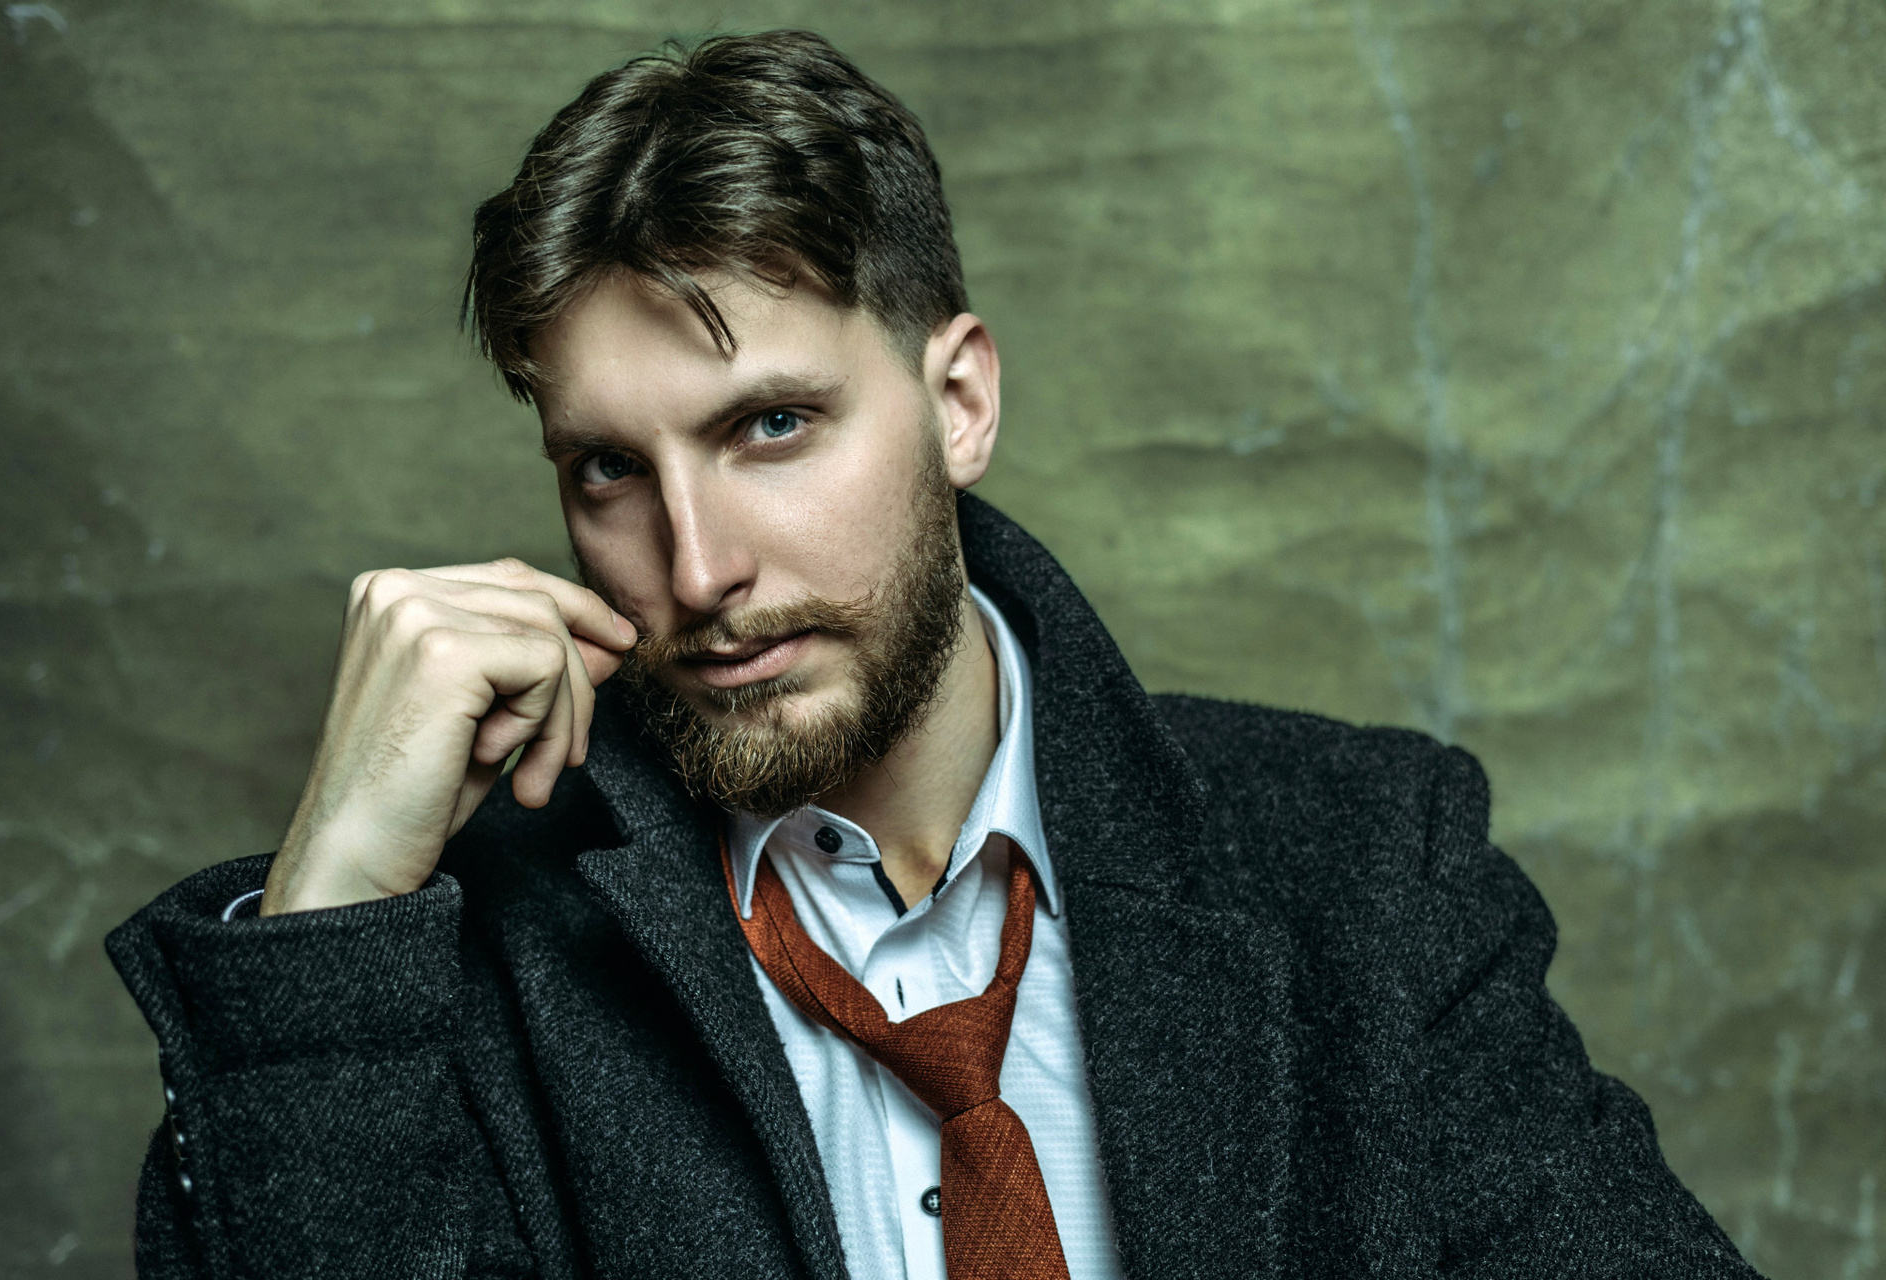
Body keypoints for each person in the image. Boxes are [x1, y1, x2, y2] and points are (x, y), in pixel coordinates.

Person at [106, 28, 1759, 1280]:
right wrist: (326, 917)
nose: (699, 568)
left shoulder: (1363, 868)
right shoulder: (447, 972)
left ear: (958, 402)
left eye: (771, 425)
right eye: (607, 469)